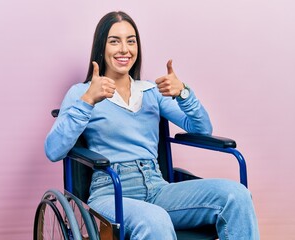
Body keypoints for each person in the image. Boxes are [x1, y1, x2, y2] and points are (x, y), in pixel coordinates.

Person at [45, 11, 259, 240]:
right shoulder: (82, 93)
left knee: (236, 195)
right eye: (114, 41)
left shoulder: (151, 91)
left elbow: (202, 129)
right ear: (101, 47)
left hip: (157, 187)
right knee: (155, 219)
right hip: (111, 192)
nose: (124, 49)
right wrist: (88, 101)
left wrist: (184, 94)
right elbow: (54, 150)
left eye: (131, 41)